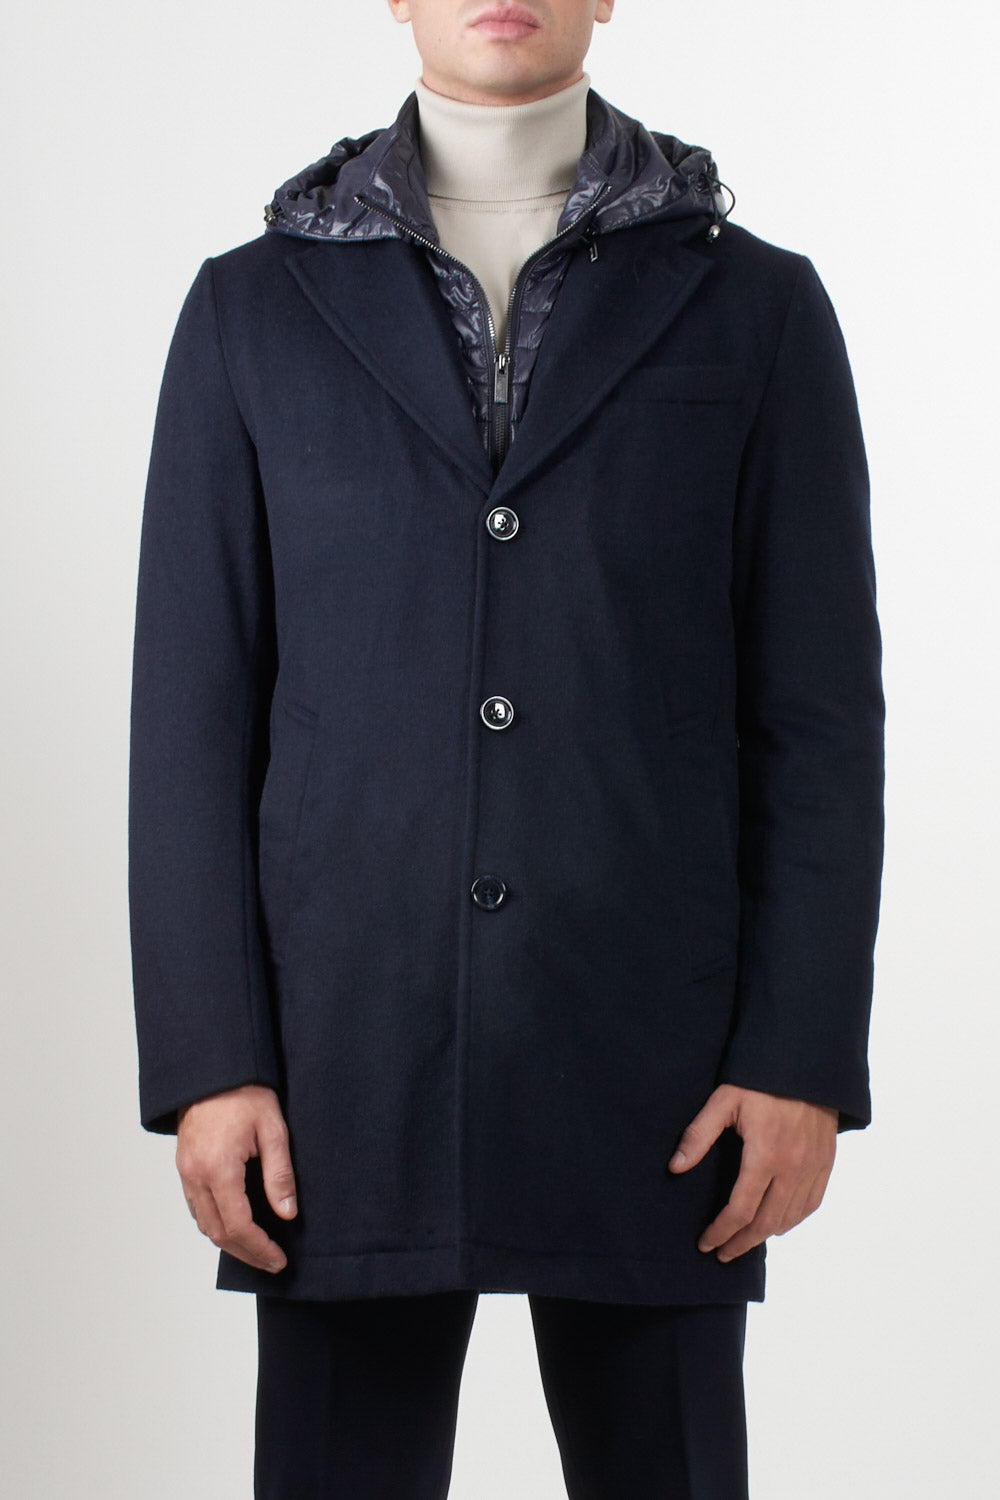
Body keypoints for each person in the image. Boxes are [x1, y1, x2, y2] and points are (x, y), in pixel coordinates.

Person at [127, 1, 885, 1495]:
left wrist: (799, 1055)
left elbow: (815, 717)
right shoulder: (252, 308)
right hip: (341, 1058)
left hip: (661, 1060)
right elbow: (193, 715)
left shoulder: (755, 306)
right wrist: (212, 1060)